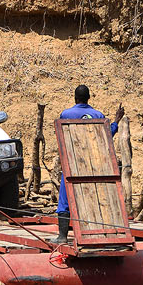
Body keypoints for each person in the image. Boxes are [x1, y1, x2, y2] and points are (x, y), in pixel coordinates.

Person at [55, 85, 124, 244]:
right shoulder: (98, 115)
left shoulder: (66, 114)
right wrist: (116, 121)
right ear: (89, 98)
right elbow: (107, 135)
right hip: (92, 164)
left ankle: (63, 236)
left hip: (72, 163)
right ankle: (98, 232)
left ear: (75, 97)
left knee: (64, 200)